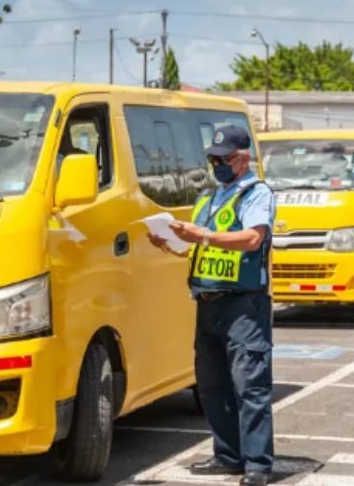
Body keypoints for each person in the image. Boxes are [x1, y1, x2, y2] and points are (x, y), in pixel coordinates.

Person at [147, 125, 276, 486]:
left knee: (250, 386)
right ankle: (228, 456)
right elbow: (193, 248)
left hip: (243, 304)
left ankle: (257, 465)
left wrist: (201, 234)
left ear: (243, 158)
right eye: (213, 159)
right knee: (212, 385)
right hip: (208, 301)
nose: (217, 164)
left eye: (224, 159)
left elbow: (252, 239)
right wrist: (168, 242)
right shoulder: (211, 197)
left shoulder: (256, 193)